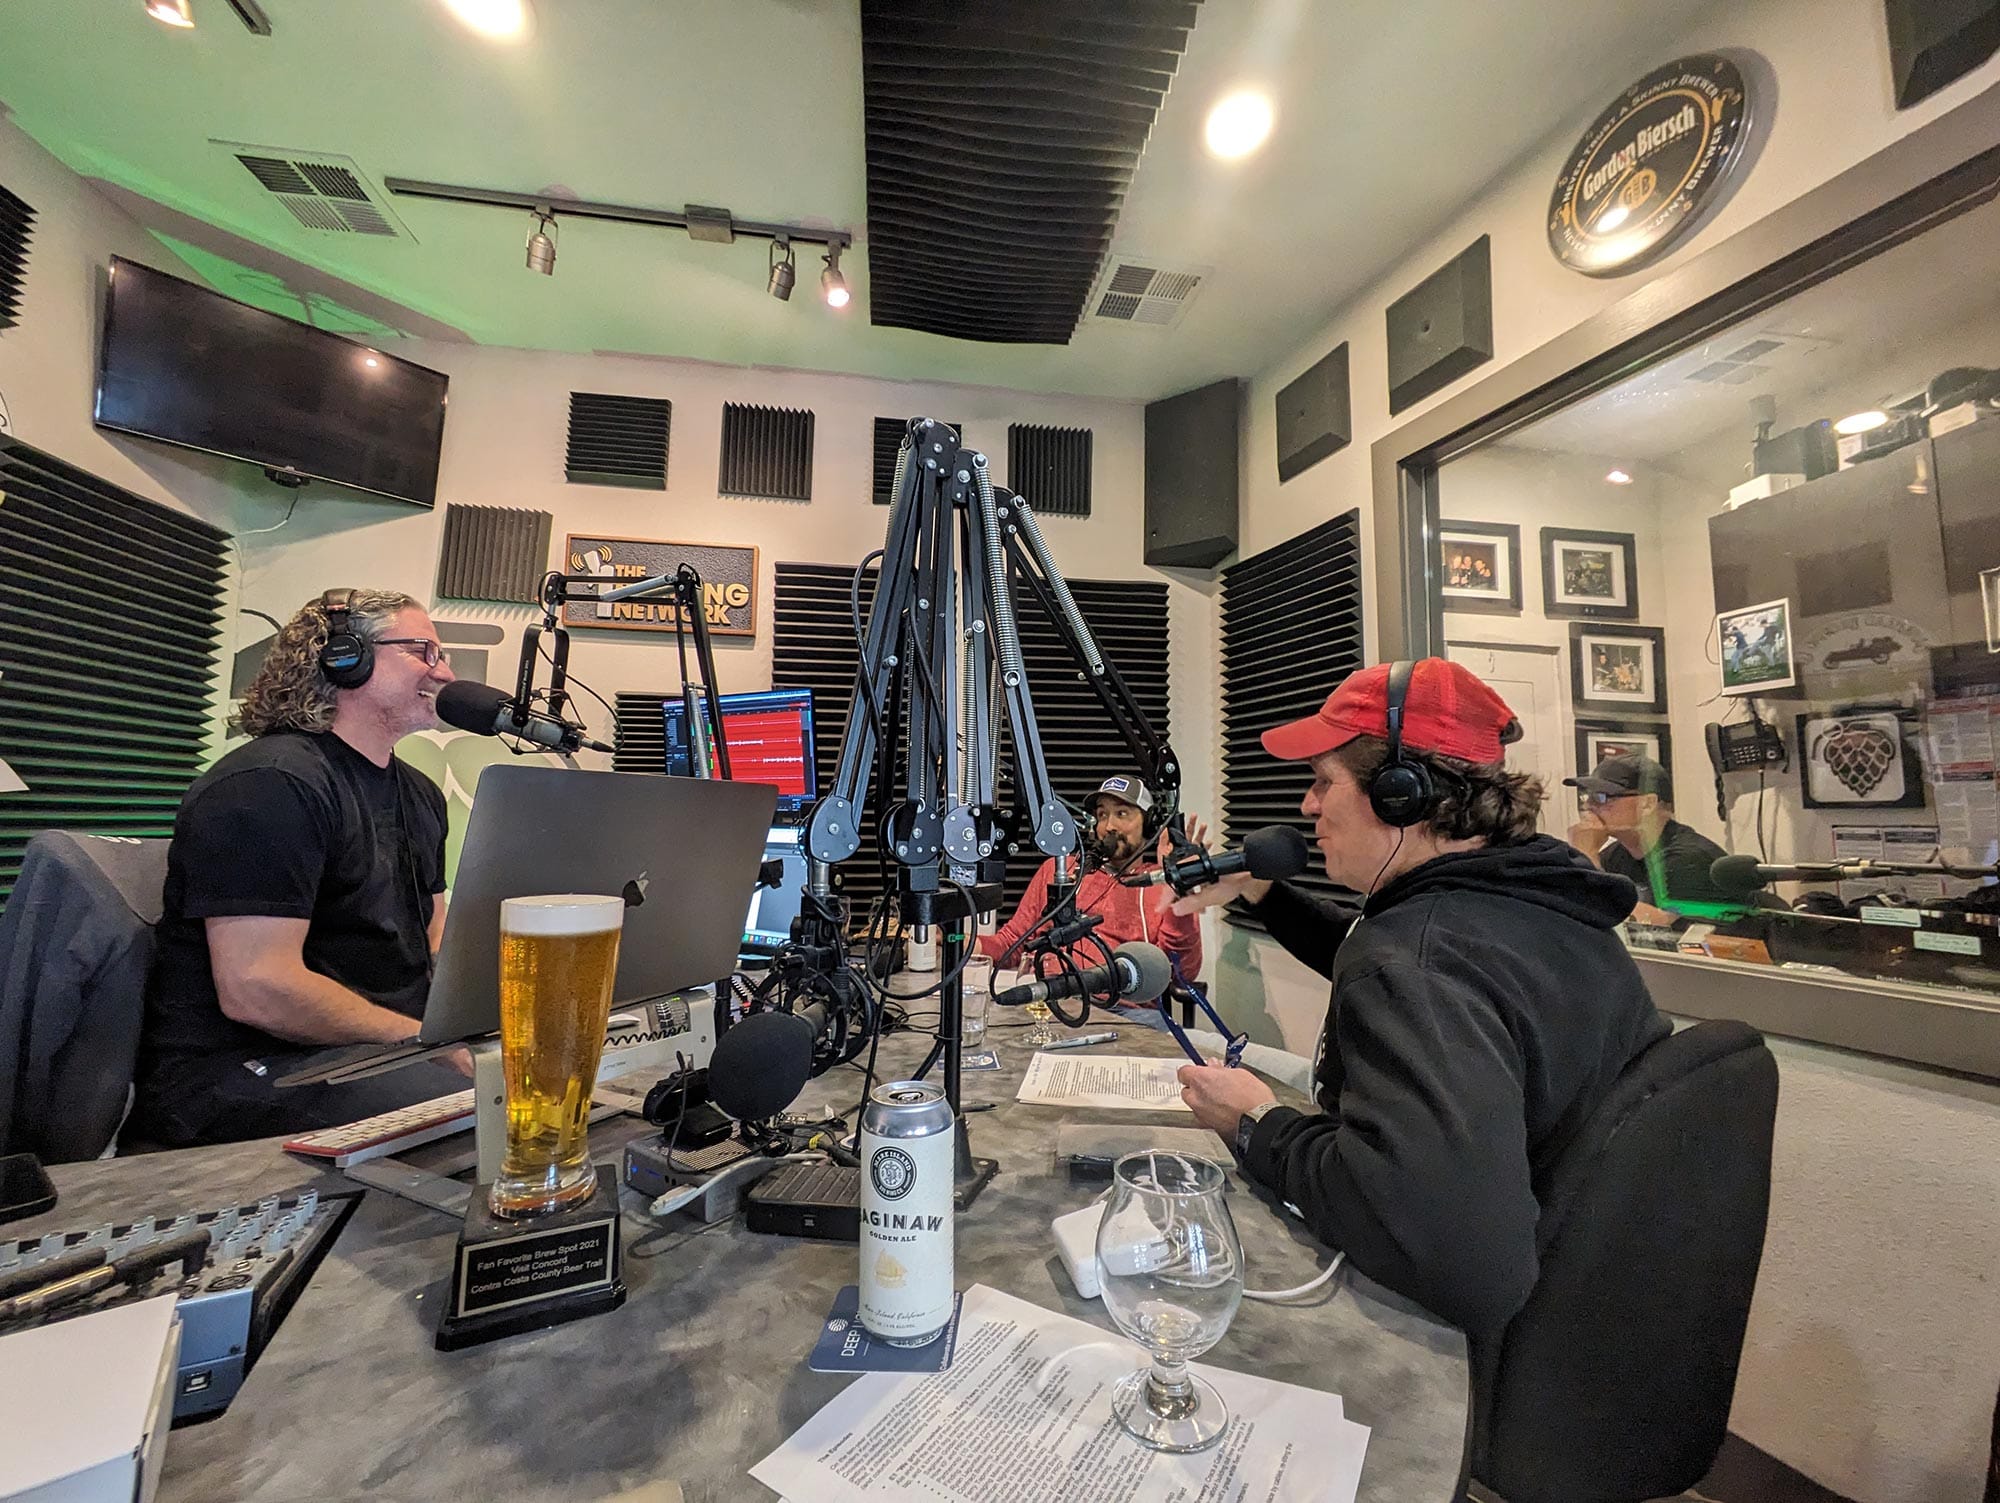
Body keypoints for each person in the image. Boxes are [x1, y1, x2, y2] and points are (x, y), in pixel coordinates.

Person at [1171, 659, 1669, 1338]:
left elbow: (1455, 1258)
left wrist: (1257, 1122)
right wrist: (1258, 890)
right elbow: (1373, 950)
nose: (1306, 807)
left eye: (1323, 782)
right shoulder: (1533, 907)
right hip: (1602, 1319)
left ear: (1400, 794)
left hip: (1486, 1346)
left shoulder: (1416, 957)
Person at [130, 589, 468, 1148]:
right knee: (484, 1113)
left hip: (366, 1051)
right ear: (345, 658)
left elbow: (433, 930)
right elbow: (256, 986)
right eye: (424, 651)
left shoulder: (420, 794)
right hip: (242, 1072)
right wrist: (420, 1041)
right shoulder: (270, 785)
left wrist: (482, 1019)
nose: (446, 672)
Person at [980, 774, 1204, 1022]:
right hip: (1051, 1001)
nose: (1109, 826)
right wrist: (954, 942)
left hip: (1127, 1014)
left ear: (1149, 825)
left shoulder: (1159, 882)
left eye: (1122, 814)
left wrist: (1179, 890)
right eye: (1102, 815)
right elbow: (1012, 941)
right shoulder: (1061, 871)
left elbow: (1182, 972)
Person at [1565, 754, 1731, 921]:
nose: (1588, 806)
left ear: (1648, 804)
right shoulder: (1614, 856)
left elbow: (1654, 926)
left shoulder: (1689, 858)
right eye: (1587, 797)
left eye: (1602, 797)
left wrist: (1586, 856)